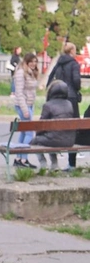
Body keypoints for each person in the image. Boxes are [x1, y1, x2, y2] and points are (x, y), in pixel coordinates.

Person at [49, 41, 84, 169]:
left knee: (57, 127)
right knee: (73, 129)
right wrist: (77, 89)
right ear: (72, 51)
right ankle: (71, 164)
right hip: (71, 98)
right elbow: (76, 81)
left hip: (57, 97)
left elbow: (51, 78)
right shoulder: (74, 64)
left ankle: (54, 162)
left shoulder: (59, 63)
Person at [32, 79, 78, 171]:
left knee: (35, 141)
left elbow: (41, 125)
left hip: (54, 140)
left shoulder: (48, 105)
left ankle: (43, 162)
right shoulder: (69, 104)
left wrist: (38, 134)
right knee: (51, 137)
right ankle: (54, 164)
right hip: (69, 141)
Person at [11, 52, 39, 168]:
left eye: (35, 61)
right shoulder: (21, 73)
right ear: (26, 62)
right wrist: (25, 110)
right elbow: (19, 93)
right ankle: (24, 159)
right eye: (31, 62)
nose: (33, 64)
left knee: (24, 132)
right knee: (29, 133)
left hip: (29, 104)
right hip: (23, 105)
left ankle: (19, 158)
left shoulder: (30, 72)